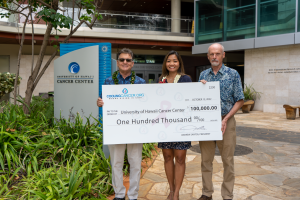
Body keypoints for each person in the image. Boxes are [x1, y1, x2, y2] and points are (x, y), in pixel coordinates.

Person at [97, 48, 146, 200]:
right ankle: (119, 194)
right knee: (116, 162)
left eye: (128, 60)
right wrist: (99, 102)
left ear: (132, 63)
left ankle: (133, 195)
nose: (125, 62)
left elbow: (147, 105)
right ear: (117, 63)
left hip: (135, 129)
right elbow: (102, 101)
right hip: (116, 129)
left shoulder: (141, 83)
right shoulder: (108, 81)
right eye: (122, 60)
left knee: (135, 164)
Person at [197, 43, 244, 200]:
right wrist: (200, 89)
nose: (214, 57)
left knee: (228, 160)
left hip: (227, 120)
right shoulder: (203, 75)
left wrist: (226, 118)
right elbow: (198, 99)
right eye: (212, 54)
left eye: (217, 54)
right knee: (205, 160)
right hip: (207, 121)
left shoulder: (233, 74)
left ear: (223, 55)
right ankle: (207, 193)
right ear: (208, 56)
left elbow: (240, 100)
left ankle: (227, 195)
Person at [157, 50, 192, 200]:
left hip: (181, 125)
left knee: (180, 158)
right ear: (166, 63)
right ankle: (171, 190)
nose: (172, 63)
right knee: (167, 157)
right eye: (169, 61)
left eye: (175, 61)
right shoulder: (161, 80)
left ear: (179, 63)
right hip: (165, 124)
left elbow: (192, 97)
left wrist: (202, 87)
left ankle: (176, 193)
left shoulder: (186, 79)